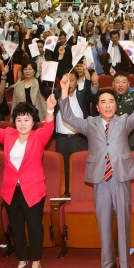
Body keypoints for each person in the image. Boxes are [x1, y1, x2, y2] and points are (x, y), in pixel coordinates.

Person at [58, 71, 134, 268]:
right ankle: (107, 264)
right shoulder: (90, 123)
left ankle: (125, 264)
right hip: (100, 178)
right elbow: (68, 117)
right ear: (97, 107)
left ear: (116, 105)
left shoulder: (124, 121)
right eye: (103, 102)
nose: (107, 105)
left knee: (123, 221)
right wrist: (63, 90)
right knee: (103, 221)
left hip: (121, 177)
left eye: (111, 102)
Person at [0, 94, 57, 268]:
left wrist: (51, 109)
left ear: (33, 121)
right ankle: (22, 260)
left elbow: (50, 126)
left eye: (27, 119)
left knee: (34, 227)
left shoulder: (39, 137)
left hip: (33, 190)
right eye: (19, 119)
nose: (22, 123)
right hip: (11, 190)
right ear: (14, 121)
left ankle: (36, 261)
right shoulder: (8, 134)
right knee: (16, 227)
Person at [42, 64, 99, 195]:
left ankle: (84, 193)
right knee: (64, 169)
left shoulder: (82, 94)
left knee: (82, 167)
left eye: (72, 79)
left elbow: (93, 93)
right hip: (62, 140)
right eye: (66, 79)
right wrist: (42, 72)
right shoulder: (56, 95)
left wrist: (91, 80)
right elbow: (43, 87)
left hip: (79, 139)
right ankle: (67, 193)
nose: (69, 82)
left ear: (77, 81)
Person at [112, 71, 134, 151]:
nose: (120, 85)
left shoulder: (133, 95)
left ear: (128, 84)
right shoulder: (109, 96)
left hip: (131, 137)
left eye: (123, 82)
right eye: (117, 82)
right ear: (113, 84)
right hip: (113, 136)